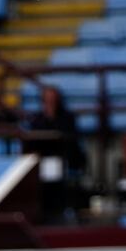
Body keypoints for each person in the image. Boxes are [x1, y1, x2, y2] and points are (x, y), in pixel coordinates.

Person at [25, 86, 86, 222]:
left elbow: (71, 140)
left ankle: (63, 211)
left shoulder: (67, 118)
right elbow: (33, 141)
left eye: (52, 98)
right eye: (47, 98)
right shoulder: (37, 119)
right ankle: (43, 212)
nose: (50, 101)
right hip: (43, 160)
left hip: (64, 158)